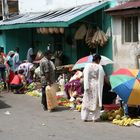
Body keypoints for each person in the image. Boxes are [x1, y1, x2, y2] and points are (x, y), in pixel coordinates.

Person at [81, 54, 105, 122]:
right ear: (98, 60)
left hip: (88, 85)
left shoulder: (87, 66)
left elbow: (84, 75)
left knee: (87, 101)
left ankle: (84, 117)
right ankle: (95, 117)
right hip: (96, 86)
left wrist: (86, 85)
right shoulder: (99, 67)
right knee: (96, 101)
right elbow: (102, 76)